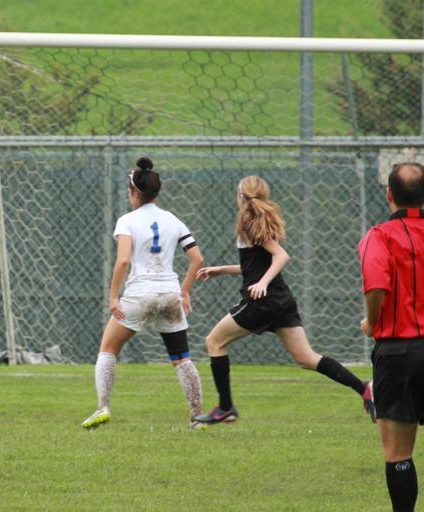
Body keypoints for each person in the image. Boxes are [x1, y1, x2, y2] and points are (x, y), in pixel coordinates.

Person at [193, 175, 373, 425]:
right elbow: (256, 266)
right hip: (281, 300)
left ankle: (225, 408)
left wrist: (263, 283)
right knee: (306, 358)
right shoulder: (259, 220)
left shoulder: (249, 221)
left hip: (262, 301)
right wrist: (221, 270)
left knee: (214, 341)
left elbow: (281, 256)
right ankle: (364, 388)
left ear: (241, 197)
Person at [81, 156, 205, 430]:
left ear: (133, 192)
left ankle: (103, 407)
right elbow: (197, 259)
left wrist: (113, 297)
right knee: (182, 358)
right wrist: (185, 291)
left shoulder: (127, 220)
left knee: (108, 349)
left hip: (140, 294)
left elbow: (123, 260)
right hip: (170, 294)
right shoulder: (173, 220)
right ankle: (197, 417)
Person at [358, 162, 424, 512]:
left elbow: (377, 285)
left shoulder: (379, 236)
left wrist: (371, 322)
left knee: (399, 453)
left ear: (389, 195)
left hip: (398, 352)